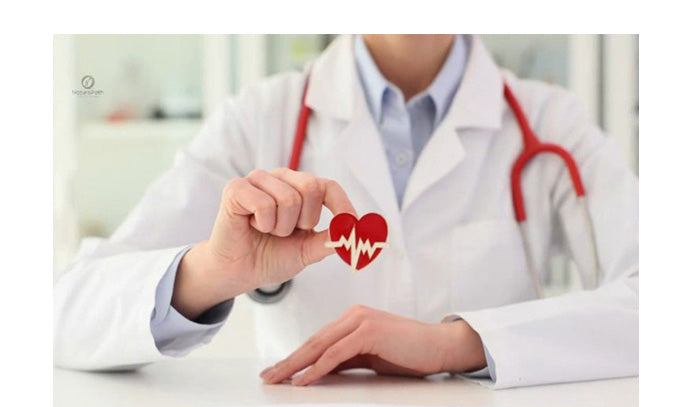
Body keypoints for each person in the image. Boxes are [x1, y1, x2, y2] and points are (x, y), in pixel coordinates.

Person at [54, 34, 638, 389]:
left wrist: (459, 344)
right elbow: (64, 312)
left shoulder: (552, 123)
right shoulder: (260, 118)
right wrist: (213, 271)